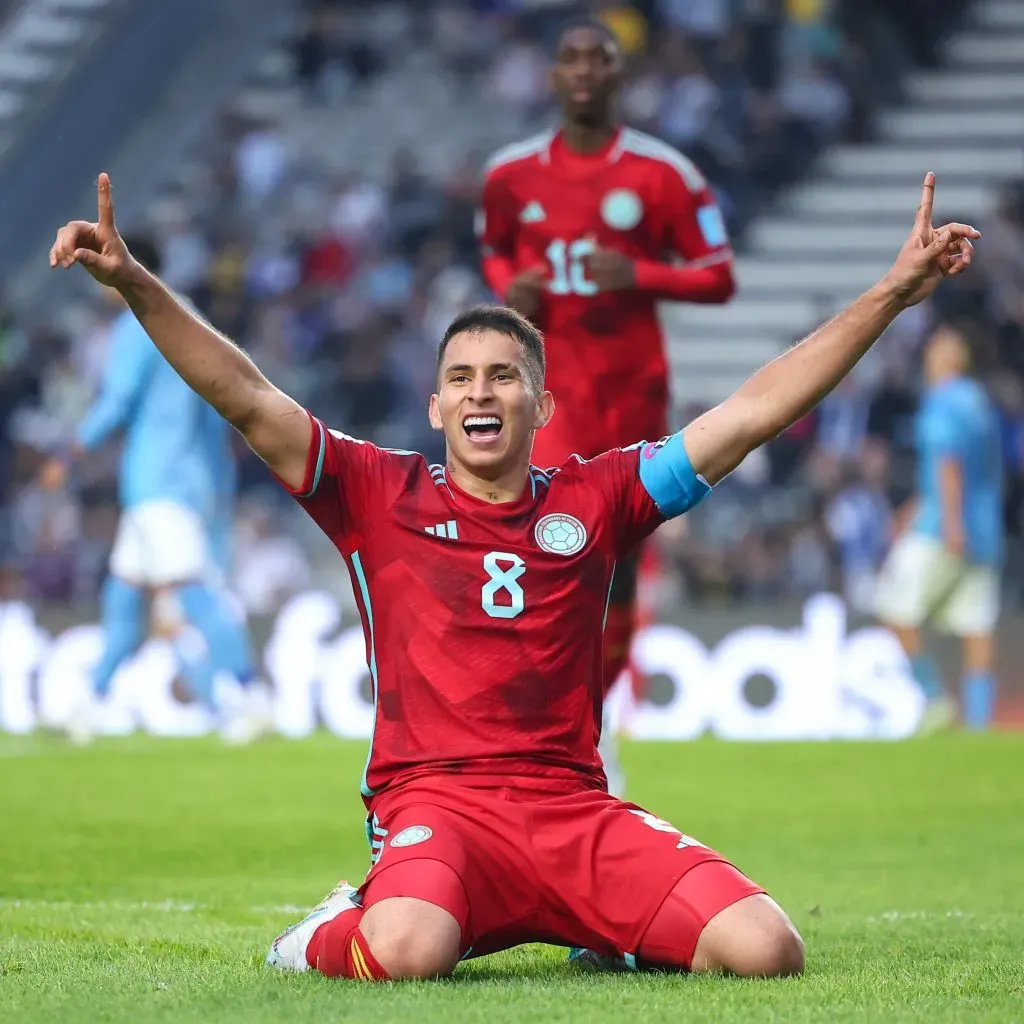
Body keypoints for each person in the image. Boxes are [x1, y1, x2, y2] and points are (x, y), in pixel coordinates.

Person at [49, 170, 975, 981]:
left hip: (572, 808)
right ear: (436, 402)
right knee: (406, 950)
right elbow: (243, 395)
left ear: (542, 402)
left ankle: (601, 928)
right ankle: (327, 929)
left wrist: (891, 295)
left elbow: (750, 415)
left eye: (502, 376)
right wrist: (135, 284)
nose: (480, 392)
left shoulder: (600, 494)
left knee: (769, 950)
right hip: (437, 806)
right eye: (461, 378)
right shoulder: (376, 490)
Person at [478, 17, 736, 795]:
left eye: (601, 59)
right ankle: (539, 734)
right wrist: (507, 291)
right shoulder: (511, 176)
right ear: (551, 76)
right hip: (548, 407)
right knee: (554, 559)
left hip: (630, 401)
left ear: (620, 75)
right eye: (571, 59)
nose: (585, 71)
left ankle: (591, 727)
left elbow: (718, 275)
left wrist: (641, 275)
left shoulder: (664, 175)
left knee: (617, 570)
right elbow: (494, 249)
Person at [40, 237, 268, 745]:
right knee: (123, 598)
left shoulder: (140, 319)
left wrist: (68, 454)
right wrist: (215, 486)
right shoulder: (188, 317)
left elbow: (118, 400)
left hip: (159, 483)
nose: (100, 289)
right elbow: (217, 407)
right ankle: (91, 703)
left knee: (192, 594)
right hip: (179, 483)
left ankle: (252, 696)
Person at [874, 324, 1003, 732]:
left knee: (893, 610)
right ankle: (979, 725)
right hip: (985, 530)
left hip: (942, 530)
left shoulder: (942, 403)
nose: (928, 358)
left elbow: (949, 465)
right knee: (976, 625)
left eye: (934, 352)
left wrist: (949, 523)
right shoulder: (979, 401)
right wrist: (912, 509)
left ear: (950, 358)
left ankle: (934, 698)